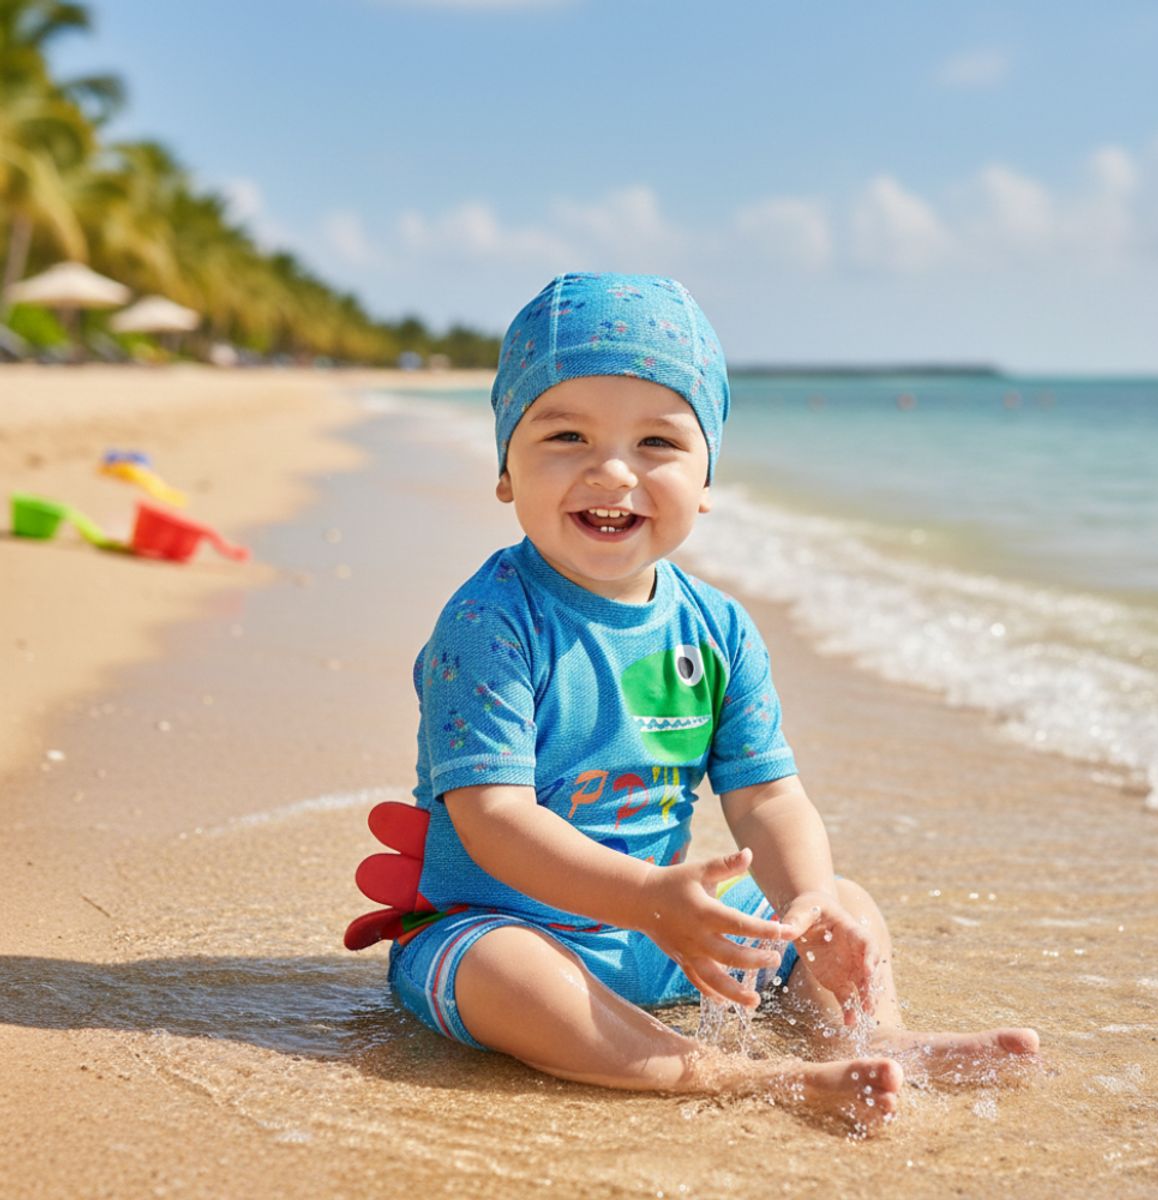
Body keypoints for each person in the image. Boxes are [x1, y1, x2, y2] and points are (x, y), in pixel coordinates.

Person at [348, 272, 1039, 1132]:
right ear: (504, 469)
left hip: (665, 934)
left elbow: (766, 797)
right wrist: (645, 896)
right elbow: (492, 817)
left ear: (707, 477)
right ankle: (718, 1075)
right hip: (507, 925)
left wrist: (808, 899)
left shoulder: (718, 629)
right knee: (508, 974)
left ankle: (872, 1036)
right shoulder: (489, 622)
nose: (611, 471)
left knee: (844, 900)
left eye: (658, 444)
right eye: (565, 434)